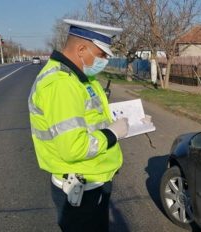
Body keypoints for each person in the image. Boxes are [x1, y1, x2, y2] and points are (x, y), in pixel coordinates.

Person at [28, 19, 128, 232]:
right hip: (81, 191)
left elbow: (93, 117)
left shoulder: (81, 77)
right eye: (102, 55)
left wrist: (129, 123)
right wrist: (112, 133)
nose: (105, 61)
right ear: (81, 49)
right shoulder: (61, 84)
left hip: (92, 183)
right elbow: (74, 147)